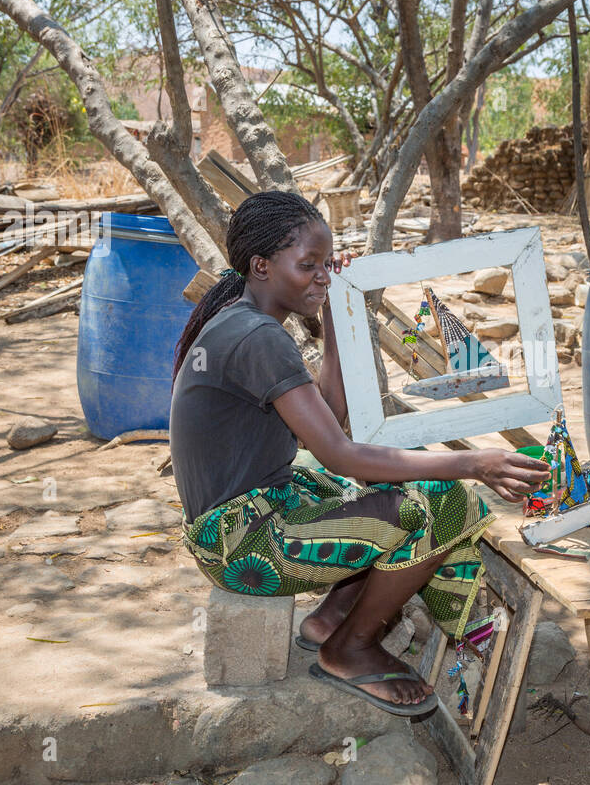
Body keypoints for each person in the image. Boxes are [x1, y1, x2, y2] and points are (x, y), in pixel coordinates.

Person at [169, 190, 550, 716]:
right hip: (242, 546)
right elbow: (340, 454)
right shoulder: (257, 337)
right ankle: (349, 648)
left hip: (242, 514)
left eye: (327, 264)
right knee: (442, 501)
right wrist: (471, 462)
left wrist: (334, 329)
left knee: (388, 477)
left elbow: (327, 416)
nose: (324, 276)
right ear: (260, 266)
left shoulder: (246, 320)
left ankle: (329, 620)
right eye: (309, 266)